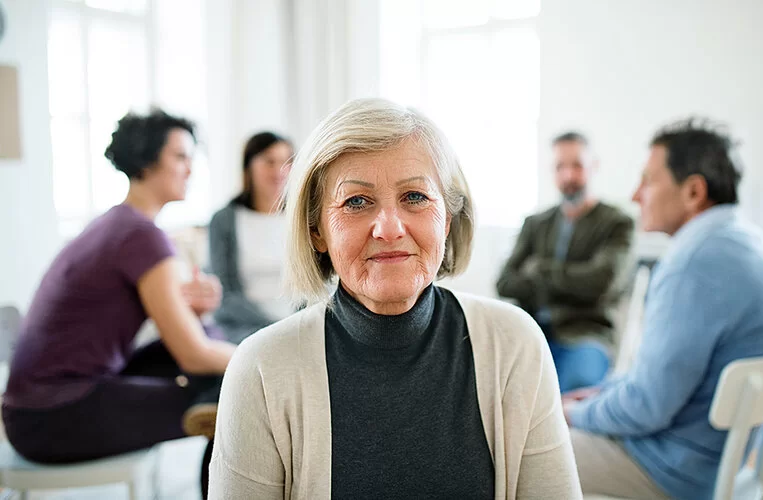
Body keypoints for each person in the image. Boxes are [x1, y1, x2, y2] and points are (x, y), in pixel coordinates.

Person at [209, 98, 581, 499]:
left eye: (415, 197)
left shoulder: (515, 344)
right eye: (356, 202)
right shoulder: (260, 369)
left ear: (448, 218)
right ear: (317, 231)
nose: (389, 228)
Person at [2, 109, 237, 499]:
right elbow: (194, 355)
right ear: (147, 160)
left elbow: (183, 332)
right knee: (231, 391)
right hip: (52, 416)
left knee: (213, 353)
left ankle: (220, 405)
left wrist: (193, 313)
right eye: (179, 157)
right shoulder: (140, 235)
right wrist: (260, 363)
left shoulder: (118, 224)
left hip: (38, 408)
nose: (190, 170)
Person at [565, 118, 763, 499]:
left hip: (670, 472)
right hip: (719, 462)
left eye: (648, 180)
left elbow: (645, 408)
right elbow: (655, 381)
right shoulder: (755, 244)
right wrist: (599, 394)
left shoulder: (693, 263)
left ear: (693, 191)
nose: (636, 194)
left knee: (521, 450)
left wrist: (572, 413)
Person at [496, 132, 634, 392]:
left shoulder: (617, 223)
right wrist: (575, 281)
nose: (569, 176)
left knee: (569, 395)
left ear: (594, 166)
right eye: (561, 167)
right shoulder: (535, 224)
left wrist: (540, 270)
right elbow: (505, 282)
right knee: (497, 390)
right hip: (531, 331)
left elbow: (602, 283)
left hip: (587, 335)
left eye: (577, 165)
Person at [208, 132, 296, 343]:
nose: (279, 171)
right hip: (244, 326)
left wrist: (296, 323)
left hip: (297, 322)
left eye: (286, 162)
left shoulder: (302, 216)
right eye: (269, 161)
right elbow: (225, 294)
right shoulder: (224, 220)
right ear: (249, 166)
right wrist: (274, 326)